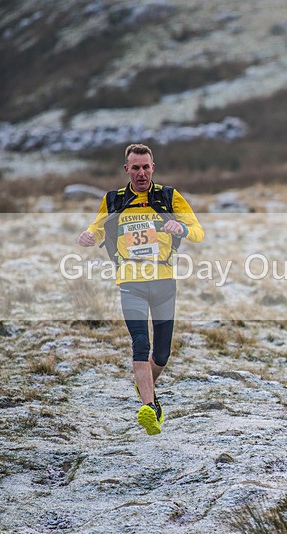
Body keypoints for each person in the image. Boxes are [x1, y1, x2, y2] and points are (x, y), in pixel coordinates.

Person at [78, 143, 204, 435]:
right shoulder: (114, 200)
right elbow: (97, 227)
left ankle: (145, 384)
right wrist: (88, 235)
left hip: (163, 282)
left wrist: (182, 229)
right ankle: (150, 406)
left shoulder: (169, 197)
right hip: (130, 282)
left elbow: (198, 231)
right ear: (127, 170)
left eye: (146, 167)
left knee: (161, 355)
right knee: (140, 343)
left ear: (153, 167)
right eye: (135, 168)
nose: (141, 173)